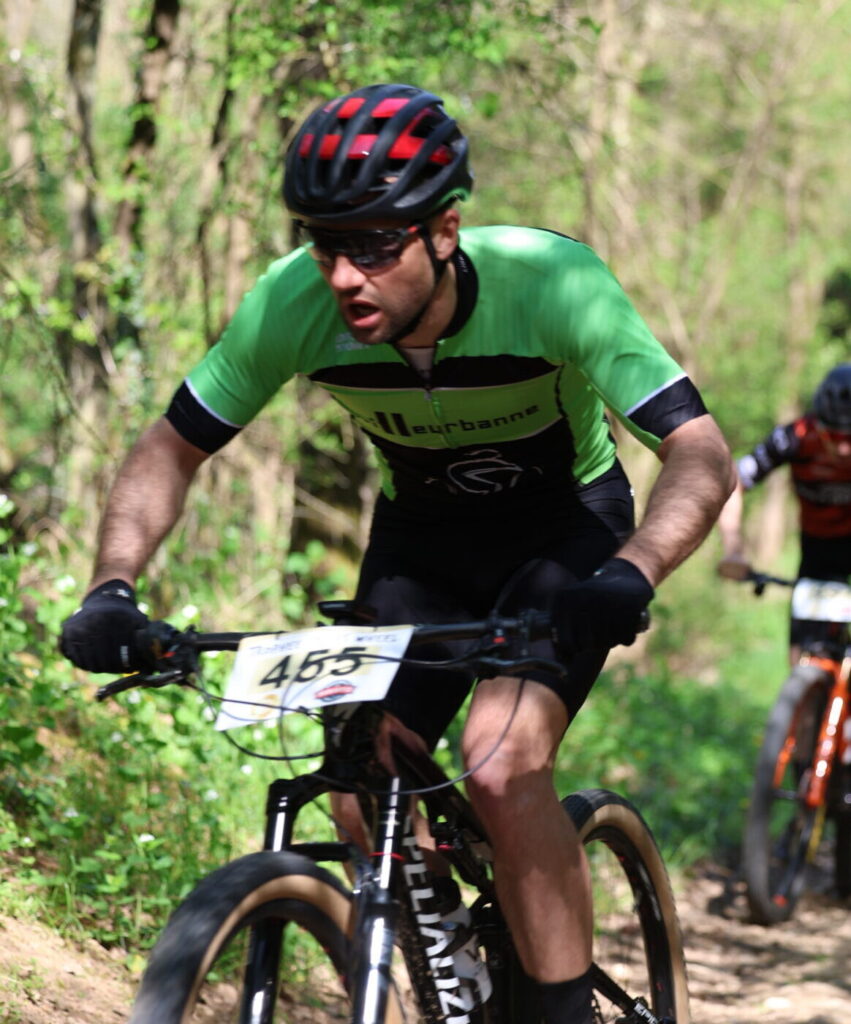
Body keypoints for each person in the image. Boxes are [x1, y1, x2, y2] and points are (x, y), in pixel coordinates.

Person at [60, 83, 735, 1023]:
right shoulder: (291, 303)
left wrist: (633, 570)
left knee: (499, 764)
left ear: (444, 231)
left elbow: (699, 453)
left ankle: (558, 1010)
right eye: (325, 244)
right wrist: (112, 588)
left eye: (375, 246)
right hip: (420, 541)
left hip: (563, 532)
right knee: (357, 781)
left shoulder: (552, 283)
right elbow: (171, 448)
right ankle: (449, 977)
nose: (343, 277)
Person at [718, 363, 851, 658]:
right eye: (834, 437)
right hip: (819, 549)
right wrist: (733, 548)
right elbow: (734, 480)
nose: (844, 450)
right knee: (803, 655)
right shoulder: (796, 437)